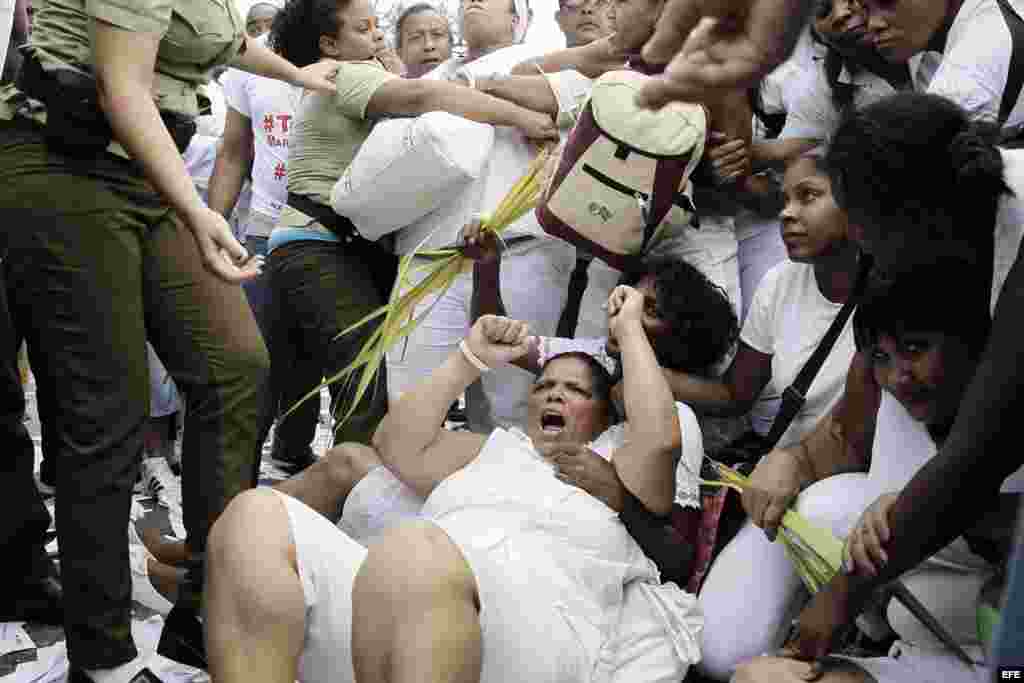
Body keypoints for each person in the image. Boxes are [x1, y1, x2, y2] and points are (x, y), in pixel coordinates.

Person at [0, 0, 341, 678]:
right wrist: (200, 211)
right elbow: (120, 85)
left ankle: (207, 604)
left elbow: (225, 40)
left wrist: (304, 77)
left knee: (236, 365)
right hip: (61, 157)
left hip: (143, 166)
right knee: (108, 407)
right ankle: (102, 657)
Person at [205, 298, 704, 683]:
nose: (554, 392)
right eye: (544, 385)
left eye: (575, 390)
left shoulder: (620, 466)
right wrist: (469, 359)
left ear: (605, 416)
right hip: (396, 609)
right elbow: (394, 442)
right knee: (254, 518)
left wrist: (629, 329)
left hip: (535, 636)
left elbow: (661, 438)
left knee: (414, 551)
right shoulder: (494, 448)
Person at [763, 92, 1024, 669]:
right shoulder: (962, 223)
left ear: (915, 213)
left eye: (865, 228)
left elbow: (979, 457)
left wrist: (836, 601)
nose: (862, 245)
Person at [262, 0, 556, 471]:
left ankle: (268, 504)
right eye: (364, 28)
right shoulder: (347, 73)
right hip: (321, 253)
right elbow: (421, 98)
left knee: (278, 389)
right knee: (366, 392)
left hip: (304, 249)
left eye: (378, 26)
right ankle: (354, 507)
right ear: (330, 44)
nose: (376, 36)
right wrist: (521, 118)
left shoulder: (341, 73)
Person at [732, 266, 1024, 683]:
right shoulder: (895, 407)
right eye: (882, 358)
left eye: (915, 349)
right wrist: (788, 461)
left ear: (970, 347)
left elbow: (992, 521)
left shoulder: (1007, 418)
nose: (898, 377)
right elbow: (837, 443)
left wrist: (910, 513)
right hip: (919, 653)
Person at [384, 0, 583, 435]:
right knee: (410, 403)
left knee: (507, 412)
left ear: (518, 19)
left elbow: (565, 113)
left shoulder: (545, 68)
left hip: (521, 255)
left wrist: (489, 89)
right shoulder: (424, 76)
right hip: (430, 256)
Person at [861, 0, 1024, 131]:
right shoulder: (993, 11)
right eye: (866, 9)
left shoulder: (963, 81)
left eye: (887, 2)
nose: (873, 24)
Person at [394, 2, 452, 78]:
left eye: (437, 34)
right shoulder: (388, 88)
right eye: (416, 37)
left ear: (450, 44)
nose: (429, 46)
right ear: (399, 52)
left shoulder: (469, 83)